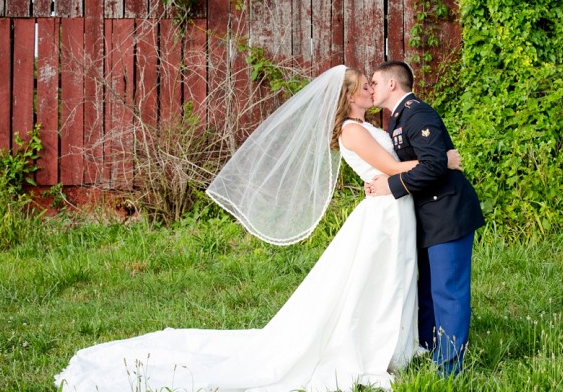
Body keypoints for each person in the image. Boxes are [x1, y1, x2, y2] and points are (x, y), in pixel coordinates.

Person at [54, 65, 461, 392]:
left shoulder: (371, 126)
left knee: (393, 278)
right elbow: (392, 167)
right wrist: (445, 161)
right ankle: (370, 347)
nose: (371, 89)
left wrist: (420, 165)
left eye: (373, 85)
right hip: (384, 213)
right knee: (379, 280)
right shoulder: (352, 130)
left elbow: (397, 164)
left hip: (395, 206)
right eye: (364, 86)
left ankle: (393, 344)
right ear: (350, 95)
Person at [367, 61, 485, 376]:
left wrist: (391, 186)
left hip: (447, 212)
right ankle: (431, 351)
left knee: (448, 291)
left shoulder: (417, 113)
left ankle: (449, 370)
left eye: (375, 82)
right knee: (428, 290)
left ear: (392, 84)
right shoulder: (398, 119)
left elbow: (432, 167)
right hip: (426, 216)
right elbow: (425, 161)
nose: (371, 88)